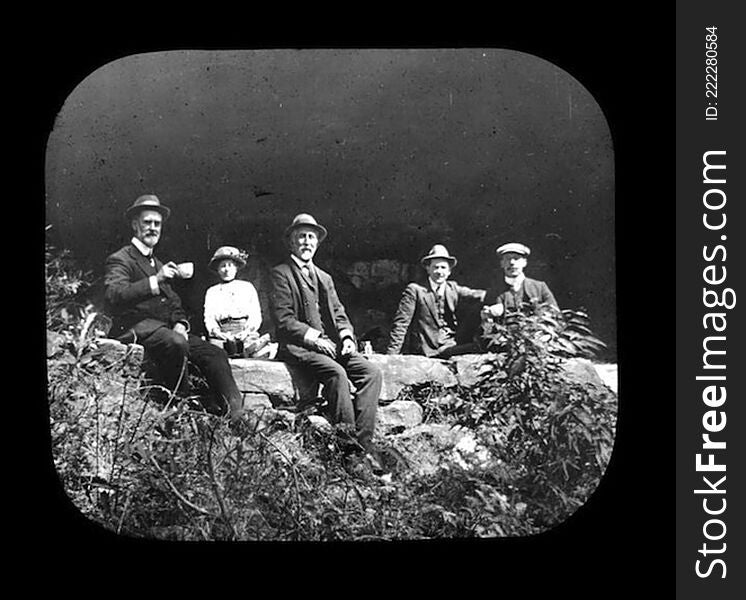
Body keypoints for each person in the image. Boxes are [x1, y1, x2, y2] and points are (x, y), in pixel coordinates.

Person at [104, 194, 244, 420]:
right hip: (136, 327)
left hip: (166, 329)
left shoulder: (157, 263)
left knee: (215, 353)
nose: (153, 228)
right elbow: (114, 295)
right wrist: (155, 280)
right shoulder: (121, 259)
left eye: (157, 224)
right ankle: (180, 409)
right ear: (134, 225)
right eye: (147, 222)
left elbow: (173, 301)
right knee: (176, 342)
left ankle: (235, 416)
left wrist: (181, 322)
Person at [269, 213, 383, 469]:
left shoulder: (324, 277)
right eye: (301, 237)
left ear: (317, 243)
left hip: (330, 346)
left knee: (371, 372)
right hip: (299, 347)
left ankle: (364, 445)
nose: (307, 242)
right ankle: (348, 451)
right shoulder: (280, 274)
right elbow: (284, 319)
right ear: (291, 242)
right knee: (337, 374)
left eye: (311, 237)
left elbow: (339, 313)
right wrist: (315, 339)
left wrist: (346, 337)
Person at [386, 244, 486, 358]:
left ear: (449, 271)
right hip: (425, 350)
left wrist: (499, 298)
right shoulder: (415, 290)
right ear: (428, 269)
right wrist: (391, 356)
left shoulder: (453, 288)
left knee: (479, 346)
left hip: (450, 345)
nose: (439, 272)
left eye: (443, 268)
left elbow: (477, 294)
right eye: (435, 267)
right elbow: (401, 324)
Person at [203, 246, 276, 359]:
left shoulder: (246, 287)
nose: (226, 269)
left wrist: (246, 331)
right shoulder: (212, 291)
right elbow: (209, 318)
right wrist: (218, 332)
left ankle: (251, 349)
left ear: (236, 268)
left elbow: (255, 315)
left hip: (244, 332)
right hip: (222, 333)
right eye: (223, 266)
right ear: (217, 269)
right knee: (214, 352)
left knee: (255, 347)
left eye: (230, 265)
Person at [481, 242, 558, 321]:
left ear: (524, 262)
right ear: (502, 263)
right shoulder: (493, 292)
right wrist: (487, 317)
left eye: (516, 258)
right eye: (507, 258)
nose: (512, 262)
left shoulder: (539, 287)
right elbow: (486, 325)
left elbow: (555, 315)